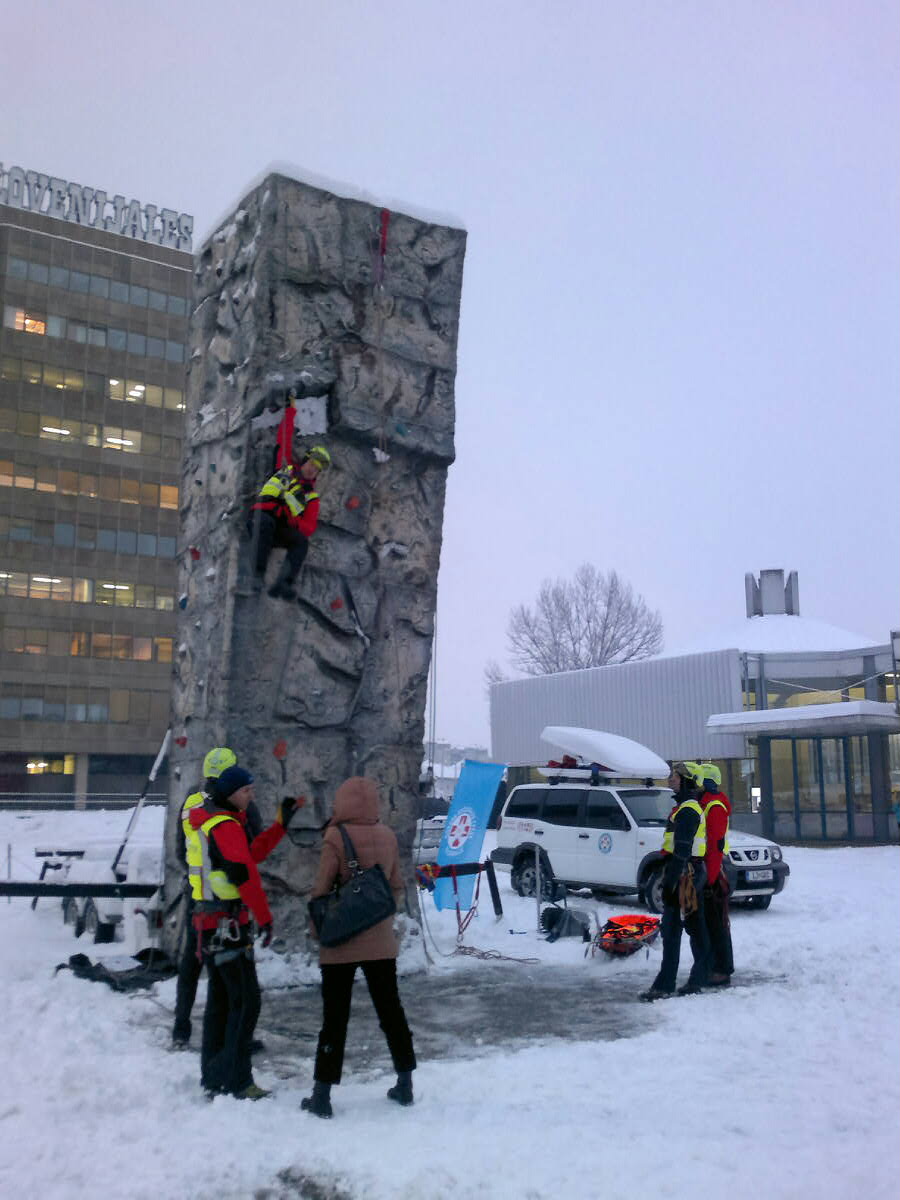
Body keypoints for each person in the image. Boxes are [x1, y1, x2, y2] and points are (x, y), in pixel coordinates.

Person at [302, 776, 415, 1119]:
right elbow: (396, 886)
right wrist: (377, 919)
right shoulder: (387, 835)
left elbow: (321, 890)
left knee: (335, 1018)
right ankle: (405, 1083)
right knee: (390, 1010)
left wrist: (317, 930)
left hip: (340, 944)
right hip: (381, 941)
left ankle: (322, 1095)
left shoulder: (336, 836)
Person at [188, 764, 299, 1098]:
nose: (252, 796)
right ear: (232, 792)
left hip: (211, 924)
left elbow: (250, 857)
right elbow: (246, 876)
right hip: (228, 926)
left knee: (222, 1003)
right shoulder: (225, 825)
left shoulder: (216, 821)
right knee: (246, 1003)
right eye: (247, 791)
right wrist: (264, 918)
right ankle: (236, 1078)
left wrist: (280, 826)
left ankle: (214, 1076)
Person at [172, 746, 264, 1049]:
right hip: (228, 901)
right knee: (229, 972)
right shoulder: (237, 806)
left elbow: (180, 850)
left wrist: (200, 875)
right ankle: (234, 1038)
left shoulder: (191, 800)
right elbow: (254, 850)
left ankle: (181, 1029)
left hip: (197, 894)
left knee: (193, 960)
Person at [639, 761, 711, 1001]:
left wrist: (670, 882)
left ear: (687, 781)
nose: (670, 779)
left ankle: (665, 984)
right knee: (694, 929)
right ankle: (697, 978)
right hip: (687, 873)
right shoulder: (685, 808)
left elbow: (681, 849)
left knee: (673, 931)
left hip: (685, 875)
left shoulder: (688, 810)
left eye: (675, 776)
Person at [250, 444, 331, 600]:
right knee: (266, 522)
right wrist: (289, 417)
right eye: (311, 464)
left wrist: (294, 521)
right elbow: (283, 437)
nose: (311, 470)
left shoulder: (311, 498)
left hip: (280, 528)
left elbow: (309, 527)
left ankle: (284, 583)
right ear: (304, 461)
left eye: (316, 470)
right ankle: (257, 575)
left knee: (301, 542)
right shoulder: (285, 469)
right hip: (260, 519)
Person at [697, 762, 735, 987]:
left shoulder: (715, 807)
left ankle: (722, 969)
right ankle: (715, 966)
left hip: (715, 871)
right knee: (711, 923)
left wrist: (710, 879)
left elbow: (715, 846)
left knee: (718, 924)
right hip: (710, 870)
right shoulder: (707, 805)